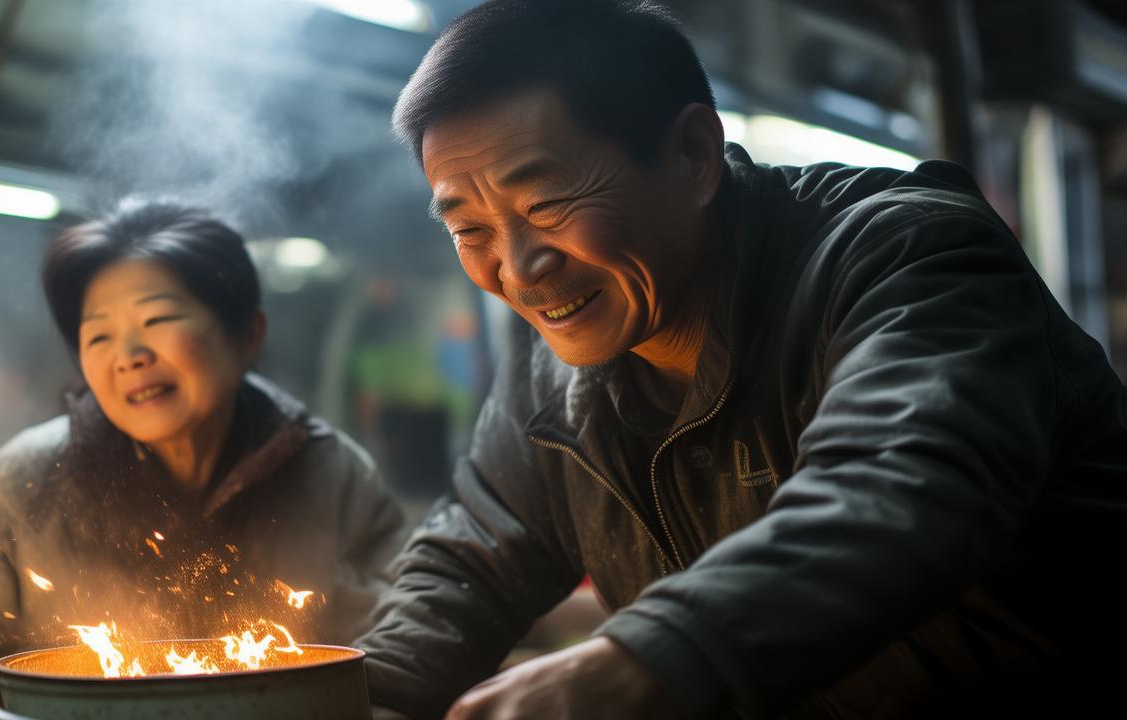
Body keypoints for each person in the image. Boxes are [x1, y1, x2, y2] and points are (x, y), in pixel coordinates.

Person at [355, 1, 1127, 718]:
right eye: (470, 230)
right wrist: (365, 692)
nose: (518, 270)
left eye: (546, 204)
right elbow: (469, 564)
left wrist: (645, 657)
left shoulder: (906, 256)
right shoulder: (552, 369)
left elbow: (900, 485)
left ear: (694, 153)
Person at [0, 197, 406, 655]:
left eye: (157, 320)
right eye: (99, 337)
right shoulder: (19, 487)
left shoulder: (332, 473)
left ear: (248, 334)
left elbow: (400, 631)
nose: (129, 357)